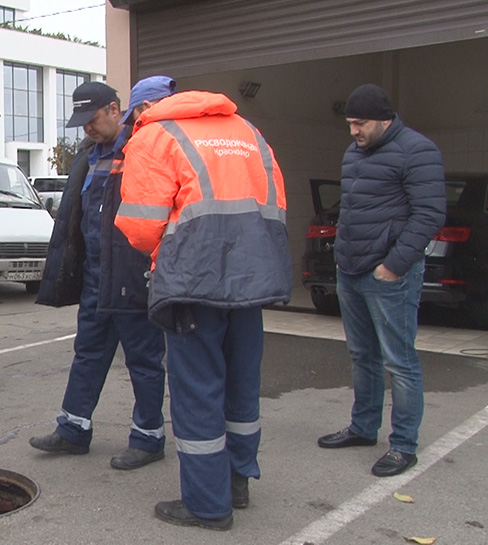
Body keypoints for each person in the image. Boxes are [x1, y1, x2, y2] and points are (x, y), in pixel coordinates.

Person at [115, 88, 292, 530]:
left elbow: (139, 224)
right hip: (253, 274)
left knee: (198, 389)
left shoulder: (154, 136)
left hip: (194, 281)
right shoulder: (248, 131)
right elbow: (277, 202)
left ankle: (208, 504)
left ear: (142, 109)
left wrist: (168, 255)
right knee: (241, 381)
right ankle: (237, 481)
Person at [28, 79, 172, 472]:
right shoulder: (89, 153)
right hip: (96, 274)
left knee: (143, 359)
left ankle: (149, 438)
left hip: (131, 272)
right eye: (82, 123)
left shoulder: (142, 146)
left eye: (92, 119)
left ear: (114, 110)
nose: (88, 128)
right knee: (88, 353)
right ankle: (73, 430)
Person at [316, 84, 445, 477]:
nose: (354, 131)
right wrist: (342, 258)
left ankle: (403, 445)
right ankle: (363, 427)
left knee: (399, 361)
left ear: (385, 120)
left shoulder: (418, 151)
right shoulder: (354, 153)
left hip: (389, 275)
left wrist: (394, 265)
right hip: (351, 269)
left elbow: (429, 216)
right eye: (350, 123)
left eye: (361, 123)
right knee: (362, 355)